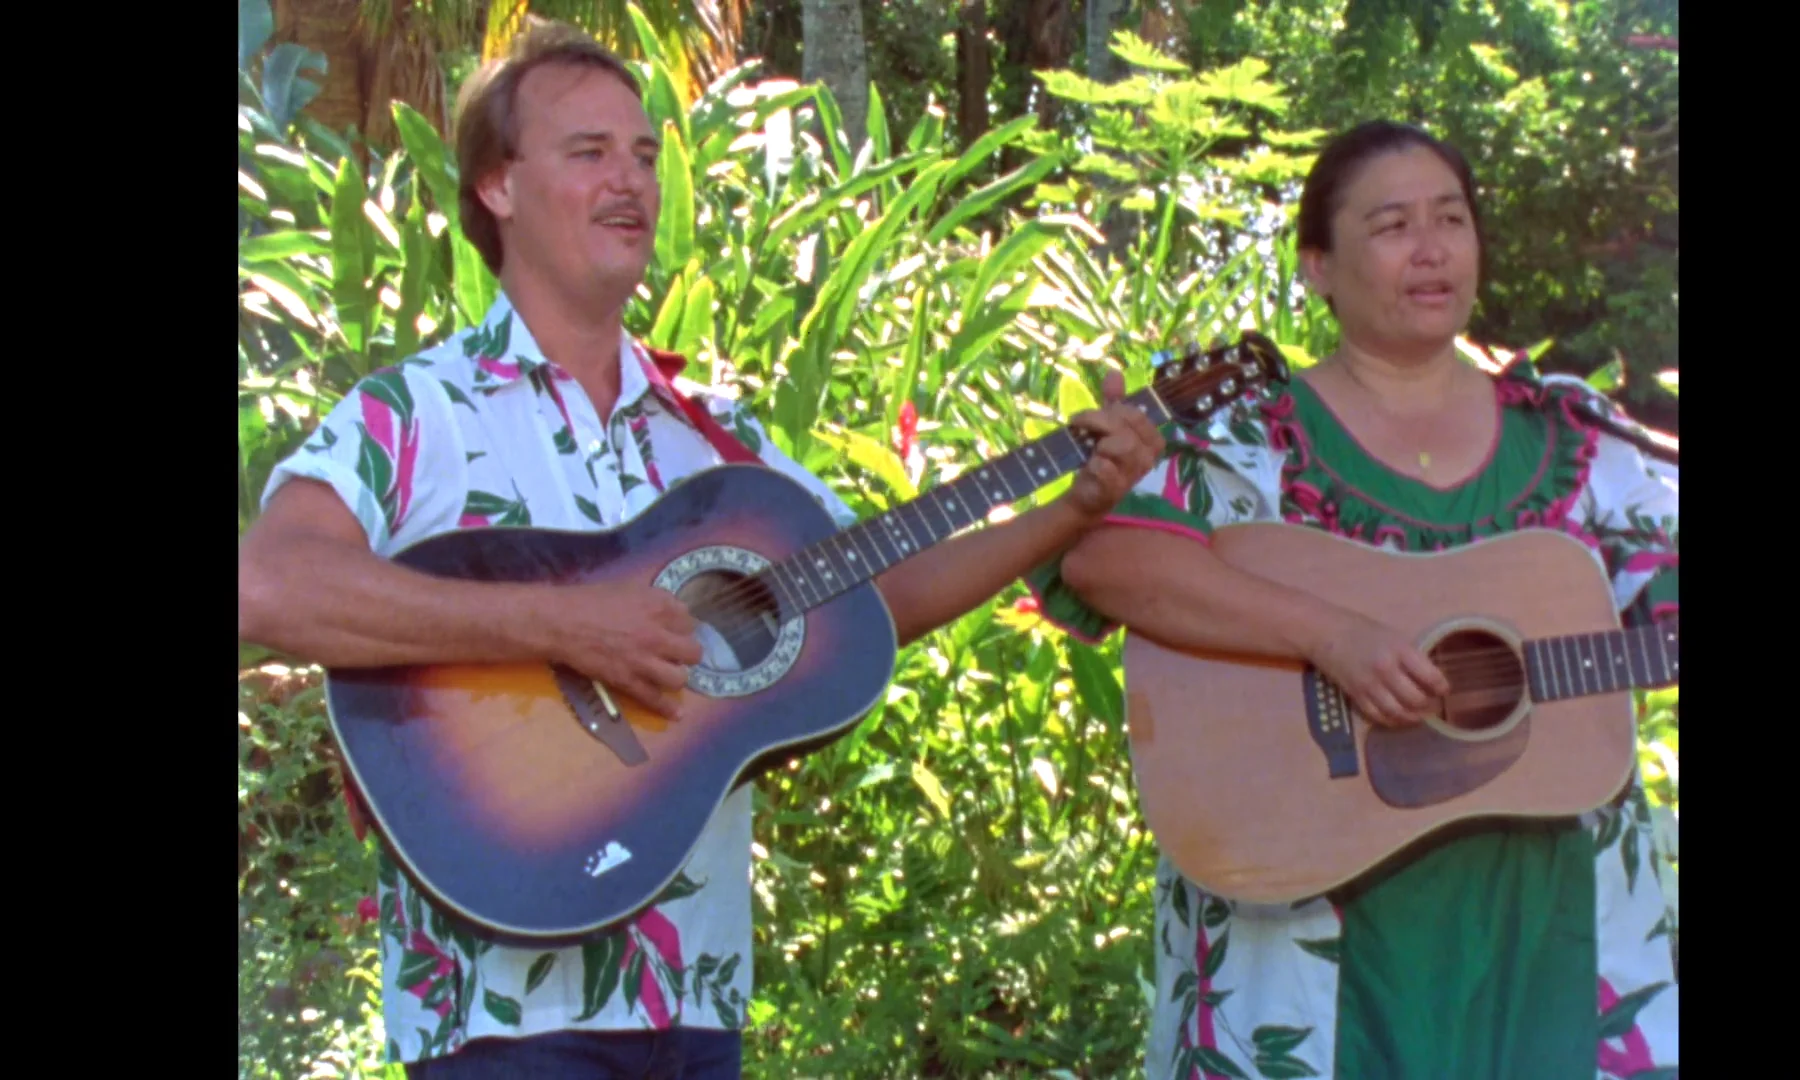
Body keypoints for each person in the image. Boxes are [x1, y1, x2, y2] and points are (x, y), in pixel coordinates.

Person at [235, 19, 1164, 1078]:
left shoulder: (719, 442)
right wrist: (556, 623)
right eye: (588, 153)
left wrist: (1068, 510)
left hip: (693, 993)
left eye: (640, 154)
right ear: (496, 186)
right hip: (501, 1007)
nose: (630, 179)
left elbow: (873, 596)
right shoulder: (416, 415)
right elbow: (267, 588)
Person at [1023, 120, 1679, 1079]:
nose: (1431, 248)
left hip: (1550, 926)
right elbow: (1106, 563)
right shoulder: (1251, 437)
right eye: (1392, 224)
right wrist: (1335, 638)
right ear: (1318, 267)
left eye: (1451, 219)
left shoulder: (1579, 439)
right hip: (1298, 914)